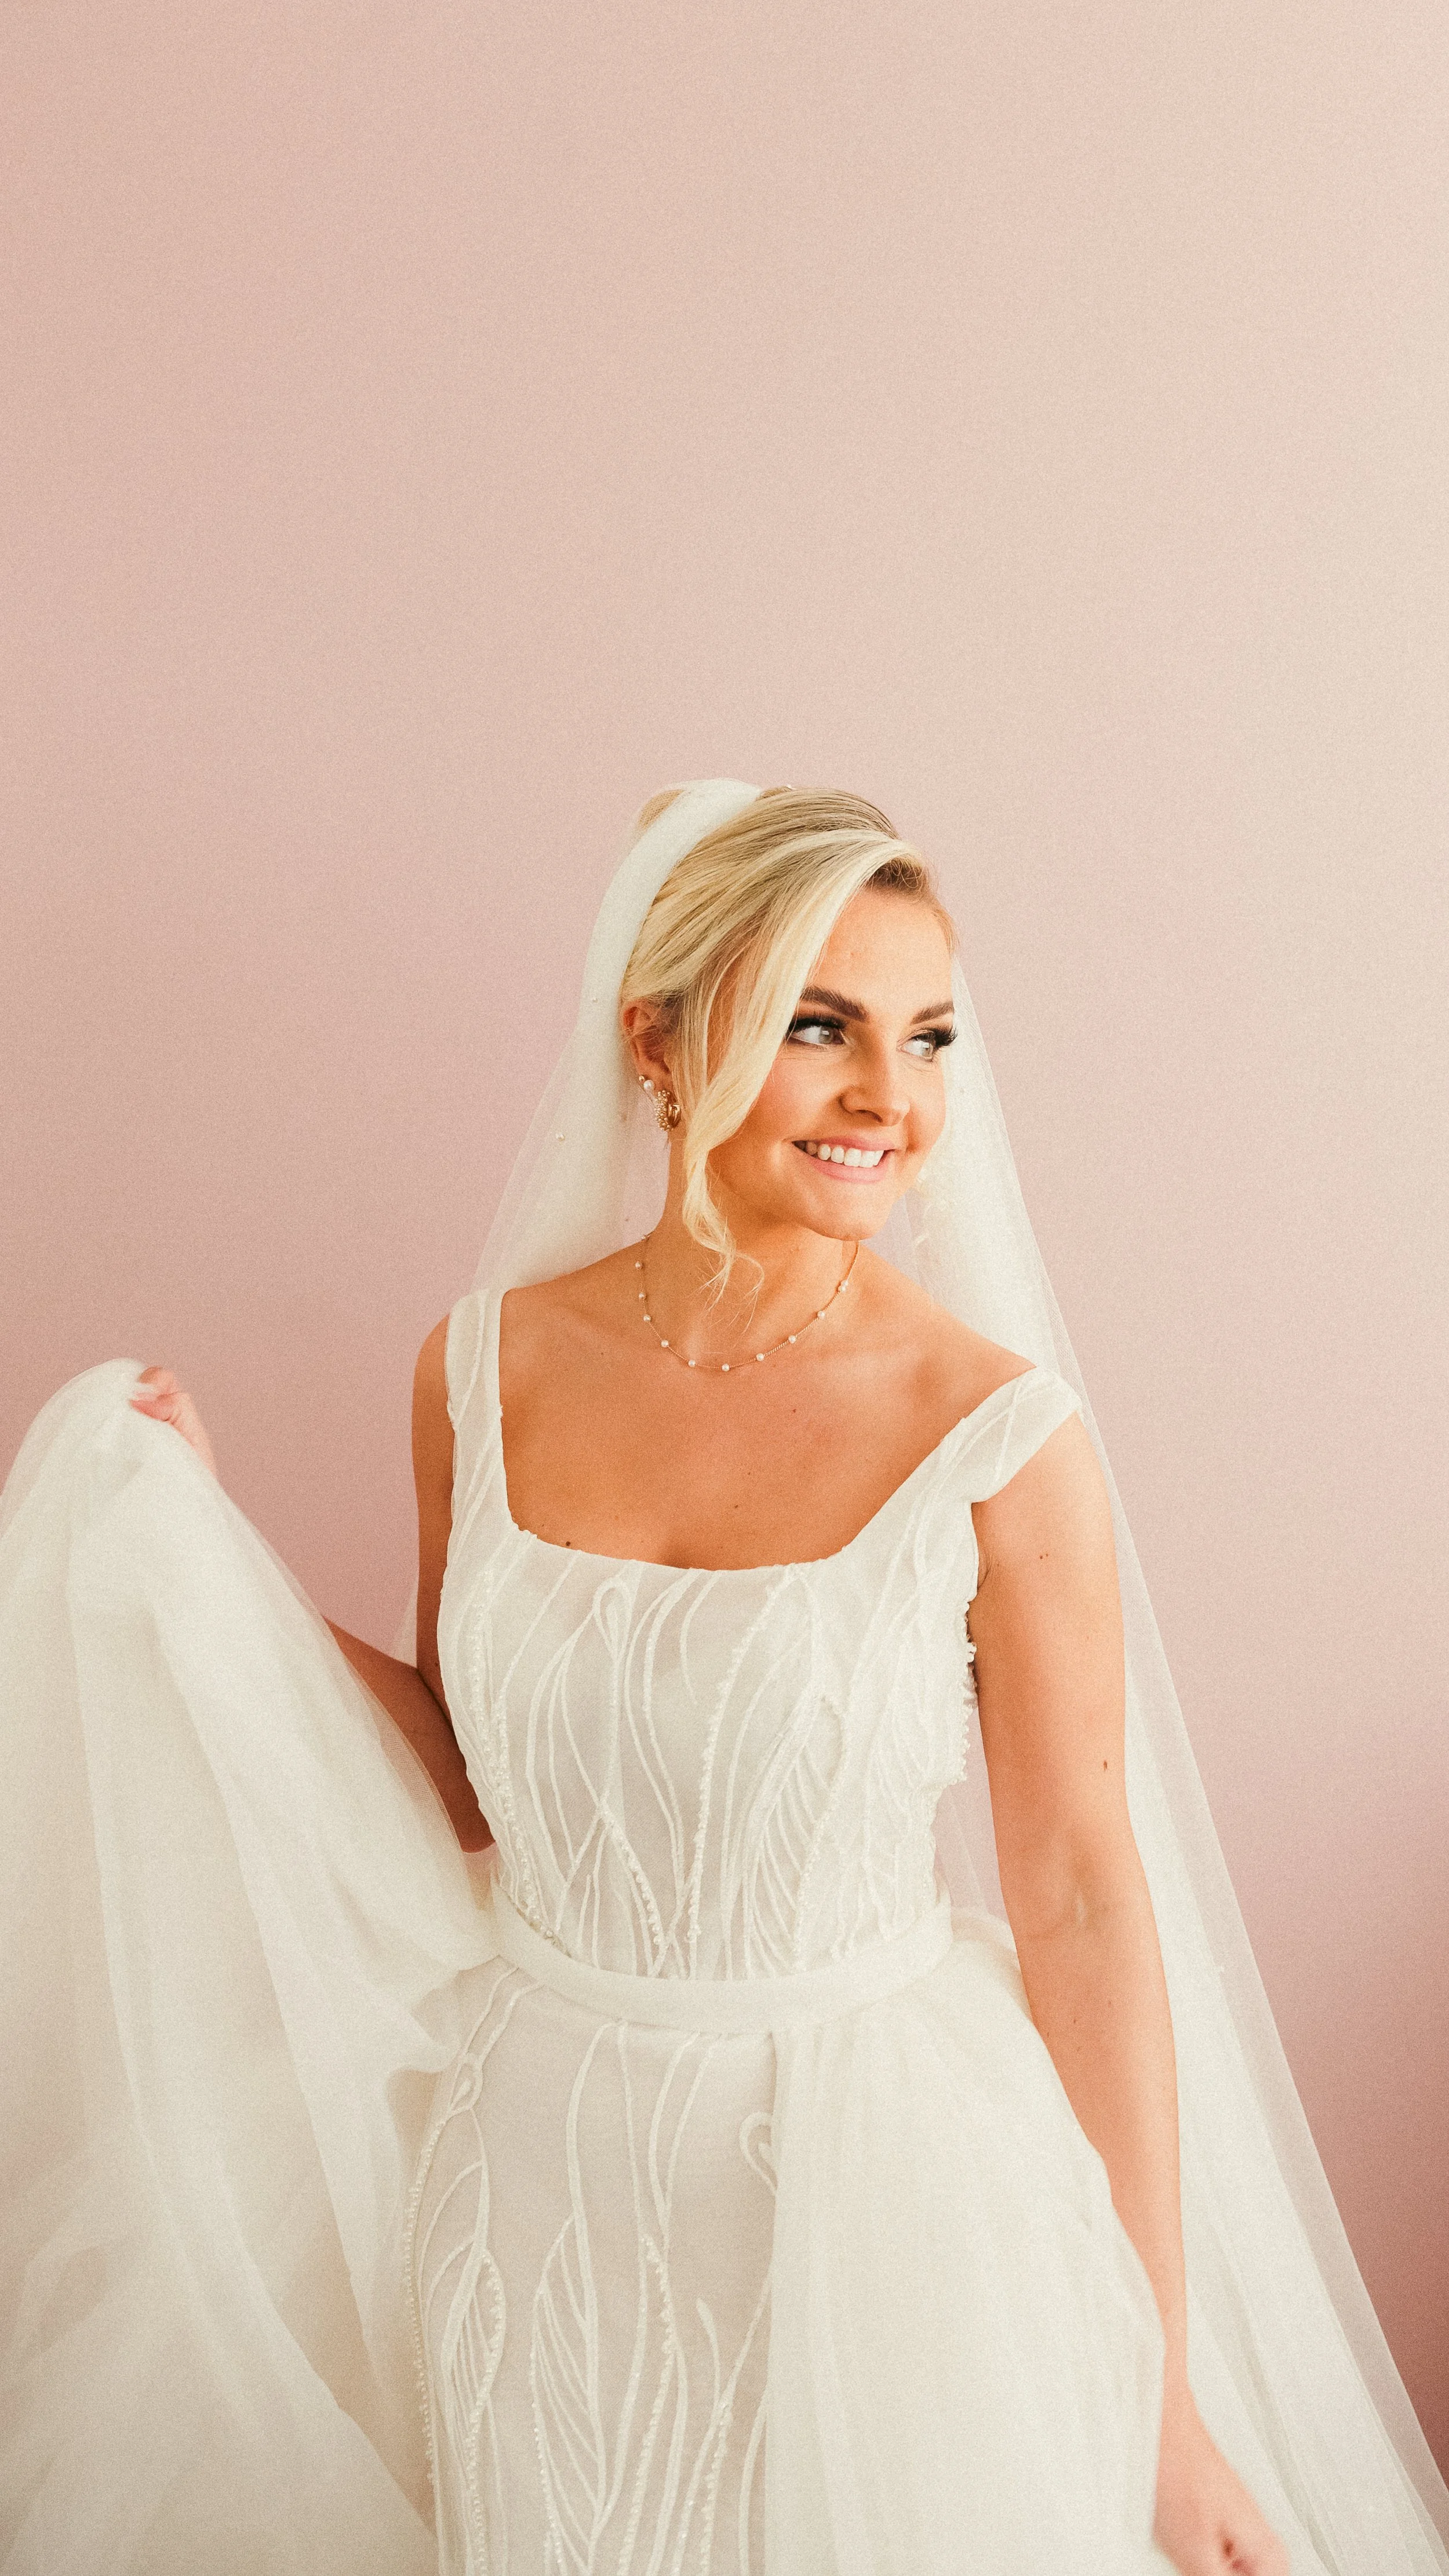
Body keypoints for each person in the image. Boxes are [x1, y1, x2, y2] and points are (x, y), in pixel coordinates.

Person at [1, 782, 1445, 2576]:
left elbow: (1078, 1893)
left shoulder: (997, 1438)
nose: (888, 1100)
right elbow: (475, 1772)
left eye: (924, 1036)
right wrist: (207, 1563)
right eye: (818, 1026)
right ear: (661, 1045)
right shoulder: (484, 1368)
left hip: (875, 2185)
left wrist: (1153, 2394)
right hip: (538, 2178)